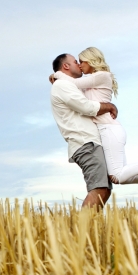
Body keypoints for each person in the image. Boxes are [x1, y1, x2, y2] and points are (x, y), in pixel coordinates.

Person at [50, 47, 138, 194]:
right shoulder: (89, 82)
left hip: (108, 128)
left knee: (116, 176)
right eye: (77, 62)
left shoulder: (102, 76)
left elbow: (72, 84)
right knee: (123, 175)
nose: (80, 65)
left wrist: (56, 75)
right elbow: (72, 88)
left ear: (91, 61)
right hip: (105, 131)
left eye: (81, 61)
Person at [49, 53, 119, 209]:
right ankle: (82, 231)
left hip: (89, 142)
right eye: (75, 62)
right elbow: (87, 107)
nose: (79, 64)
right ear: (66, 66)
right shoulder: (62, 85)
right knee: (99, 188)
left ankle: (91, 230)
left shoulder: (68, 84)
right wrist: (110, 106)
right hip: (84, 142)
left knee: (104, 189)